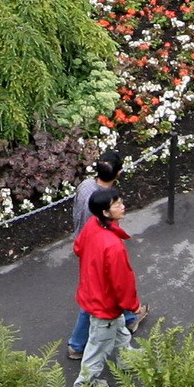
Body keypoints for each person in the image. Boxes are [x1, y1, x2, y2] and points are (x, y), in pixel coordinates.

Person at [73, 186, 140, 387]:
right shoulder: (113, 246)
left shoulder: (93, 224)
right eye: (117, 204)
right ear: (106, 212)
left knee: (119, 329)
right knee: (97, 347)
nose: (122, 206)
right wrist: (132, 305)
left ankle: (126, 357)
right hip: (105, 303)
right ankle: (84, 386)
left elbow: (78, 248)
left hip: (92, 291)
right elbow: (122, 281)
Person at [67, 153, 127, 362]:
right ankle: (76, 344)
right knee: (97, 294)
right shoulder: (106, 202)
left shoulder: (85, 186)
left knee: (98, 289)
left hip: (84, 244)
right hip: (96, 250)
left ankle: (127, 316)